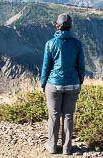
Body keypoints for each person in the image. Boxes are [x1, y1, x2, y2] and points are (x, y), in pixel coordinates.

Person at [41, 13, 85, 155]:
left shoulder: (50, 43)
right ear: (70, 27)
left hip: (54, 84)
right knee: (68, 115)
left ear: (57, 25)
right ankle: (67, 148)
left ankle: (52, 146)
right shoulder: (77, 44)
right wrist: (80, 81)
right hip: (73, 84)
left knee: (54, 115)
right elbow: (81, 66)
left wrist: (43, 83)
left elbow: (46, 67)